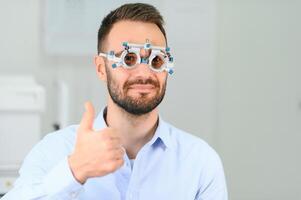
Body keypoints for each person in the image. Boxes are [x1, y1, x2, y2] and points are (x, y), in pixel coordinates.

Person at [3, 3, 227, 200]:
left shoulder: (199, 162)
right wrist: (74, 171)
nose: (144, 72)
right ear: (101, 68)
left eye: (156, 60)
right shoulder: (54, 151)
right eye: (128, 58)